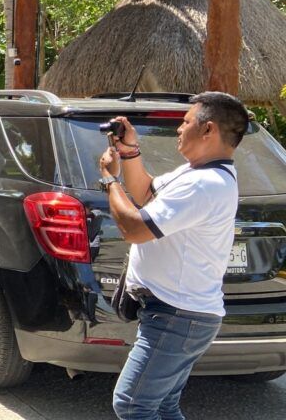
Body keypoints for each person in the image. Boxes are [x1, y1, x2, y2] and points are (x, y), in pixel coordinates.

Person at [99, 92, 247, 420]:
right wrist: (130, 152)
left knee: (132, 404)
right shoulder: (198, 174)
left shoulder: (204, 184)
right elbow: (146, 193)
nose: (179, 129)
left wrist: (109, 180)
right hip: (181, 315)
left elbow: (135, 228)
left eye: (185, 122)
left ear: (208, 129)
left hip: (178, 316)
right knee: (163, 407)